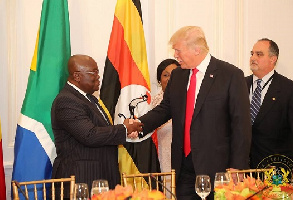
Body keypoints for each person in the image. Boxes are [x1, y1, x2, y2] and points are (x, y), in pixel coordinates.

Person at [138, 26, 252, 200]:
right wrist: (139, 124)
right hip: (184, 166)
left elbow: (241, 124)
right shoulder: (177, 76)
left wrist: (238, 165)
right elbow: (165, 109)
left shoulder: (230, 75)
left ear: (196, 49)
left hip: (218, 168)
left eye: (178, 50)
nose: (175, 55)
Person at [51, 54, 143, 197]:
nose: (98, 76)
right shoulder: (67, 101)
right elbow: (90, 135)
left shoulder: (89, 99)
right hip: (82, 180)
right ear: (77, 76)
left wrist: (124, 129)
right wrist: (124, 129)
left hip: (101, 177)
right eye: (94, 72)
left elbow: (101, 132)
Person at [246, 38, 293, 169]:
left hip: (276, 169)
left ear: (273, 59)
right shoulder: (239, 85)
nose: (253, 58)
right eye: (252, 53)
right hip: (243, 169)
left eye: (259, 54)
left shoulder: (290, 90)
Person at [151, 59, 179, 173]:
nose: (170, 78)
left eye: (174, 74)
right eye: (165, 75)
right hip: (162, 153)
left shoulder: (190, 100)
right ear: (159, 80)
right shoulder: (152, 103)